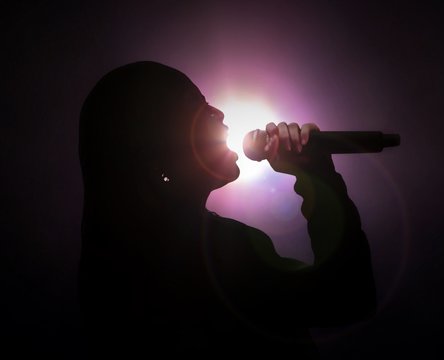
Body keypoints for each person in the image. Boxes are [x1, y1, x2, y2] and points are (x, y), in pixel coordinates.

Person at [78, 61, 376, 359]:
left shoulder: (109, 281)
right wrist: (317, 174)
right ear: (158, 166)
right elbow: (348, 296)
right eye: (198, 108)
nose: (218, 113)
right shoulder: (221, 252)